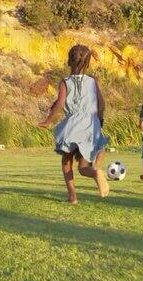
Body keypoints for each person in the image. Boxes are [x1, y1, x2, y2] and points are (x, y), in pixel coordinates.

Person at [39, 45, 109, 205]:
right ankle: (95, 171)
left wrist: (48, 121)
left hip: (73, 124)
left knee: (66, 160)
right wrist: (99, 122)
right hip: (91, 123)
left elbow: (60, 104)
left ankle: (72, 196)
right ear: (88, 63)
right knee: (83, 165)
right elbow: (101, 103)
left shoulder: (65, 82)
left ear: (68, 61)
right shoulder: (93, 82)